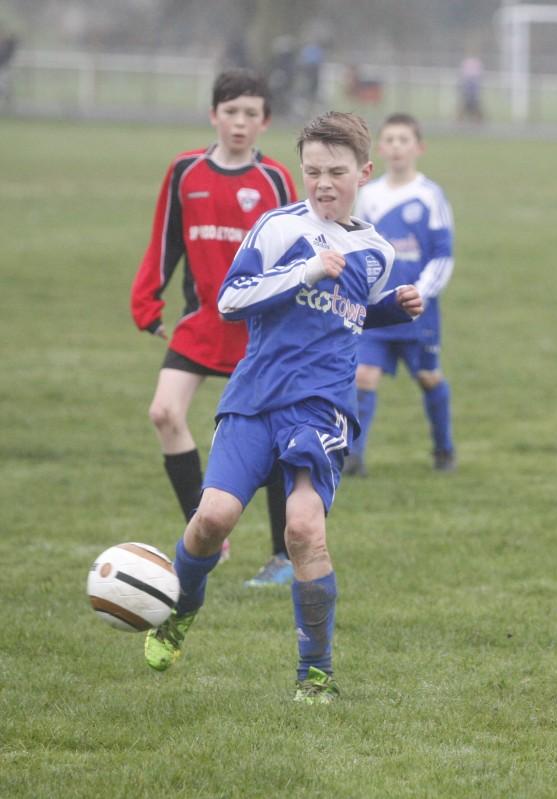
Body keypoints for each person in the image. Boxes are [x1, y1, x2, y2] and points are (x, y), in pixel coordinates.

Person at [142, 111, 424, 703]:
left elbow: (348, 312)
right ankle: (182, 610)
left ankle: (315, 674)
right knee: (211, 520)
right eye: (313, 171)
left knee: (302, 530)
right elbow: (231, 300)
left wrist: (394, 307)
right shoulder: (276, 228)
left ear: (363, 173)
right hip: (255, 399)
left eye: (336, 172)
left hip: (321, 408)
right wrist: (305, 269)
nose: (323, 183)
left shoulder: (375, 250)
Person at [130, 69, 298, 587]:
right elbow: (165, 240)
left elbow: (295, 254)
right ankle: (207, 536)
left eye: (251, 114)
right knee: (164, 412)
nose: (240, 123)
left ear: (264, 121)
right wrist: (147, 299)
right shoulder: (184, 171)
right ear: (213, 116)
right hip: (203, 322)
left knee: (273, 442)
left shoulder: (274, 180)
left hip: (259, 329)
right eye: (231, 112)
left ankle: (282, 560)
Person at [346, 113, 455, 475]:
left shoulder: (430, 196)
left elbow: (442, 254)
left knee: (428, 378)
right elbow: (357, 248)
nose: (396, 147)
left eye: (403, 140)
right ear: (380, 148)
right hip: (377, 309)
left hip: (418, 312)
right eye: (389, 140)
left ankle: (444, 450)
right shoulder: (368, 196)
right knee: (363, 375)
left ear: (418, 148)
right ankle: (353, 456)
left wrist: (419, 294)